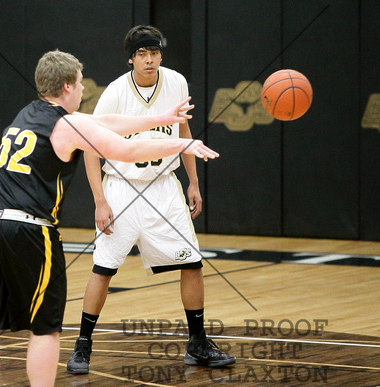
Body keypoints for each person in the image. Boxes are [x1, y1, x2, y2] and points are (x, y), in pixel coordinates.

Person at [0, 50, 217, 387]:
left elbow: (105, 124)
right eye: (81, 83)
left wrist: (161, 118)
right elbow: (125, 149)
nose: (84, 89)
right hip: (27, 229)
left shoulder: (27, 114)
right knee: (45, 328)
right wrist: (181, 144)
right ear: (69, 85)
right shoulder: (68, 124)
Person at [67, 25, 235, 374]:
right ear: (131, 58)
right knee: (103, 269)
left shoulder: (176, 82)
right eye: (142, 54)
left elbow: (183, 132)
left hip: (163, 185)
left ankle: (198, 342)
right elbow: (89, 149)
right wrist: (100, 201)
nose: (149, 59)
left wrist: (192, 181)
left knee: (192, 264)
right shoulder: (114, 93)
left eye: (154, 53)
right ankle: (82, 345)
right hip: (122, 187)